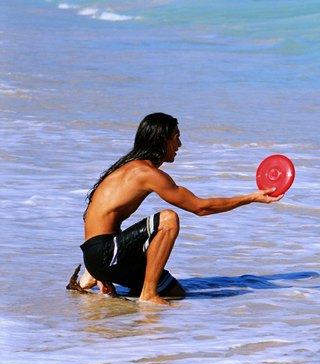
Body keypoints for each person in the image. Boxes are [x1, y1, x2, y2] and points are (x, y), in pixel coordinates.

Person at [73, 112, 282, 305]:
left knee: (175, 291)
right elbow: (200, 208)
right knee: (168, 219)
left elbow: (98, 216)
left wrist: (99, 268)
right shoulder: (146, 173)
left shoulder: (129, 167)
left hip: (100, 253)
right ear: (162, 139)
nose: (179, 144)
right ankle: (148, 294)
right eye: (176, 137)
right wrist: (251, 198)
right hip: (103, 254)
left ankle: (95, 275)